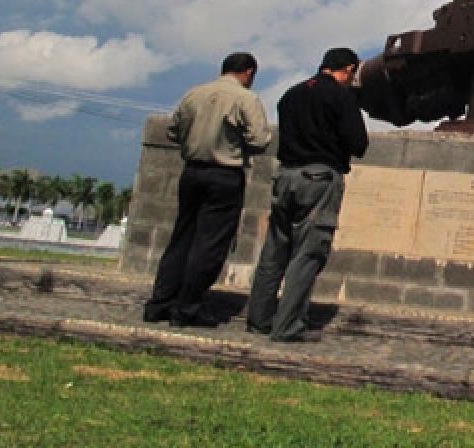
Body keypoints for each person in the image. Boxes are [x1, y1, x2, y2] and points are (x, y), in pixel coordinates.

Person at [246, 47, 369, 342]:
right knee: (309, 252)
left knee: (275, 250)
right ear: (349, 69)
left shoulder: (291, 94)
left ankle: (259, 319)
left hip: (286, 176)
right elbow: (358, 142)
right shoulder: (342, 97)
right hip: (320, 177)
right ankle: (288, 326)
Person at [143, 52, 272, 328]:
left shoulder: (194, 94)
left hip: (192, 171)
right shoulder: (246, 99)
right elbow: (260, 139)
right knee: (210, 244)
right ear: (248, 73)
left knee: (182, 237)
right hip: (225, 173)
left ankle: (159, 302)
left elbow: (172, 131)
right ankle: (187, 308)